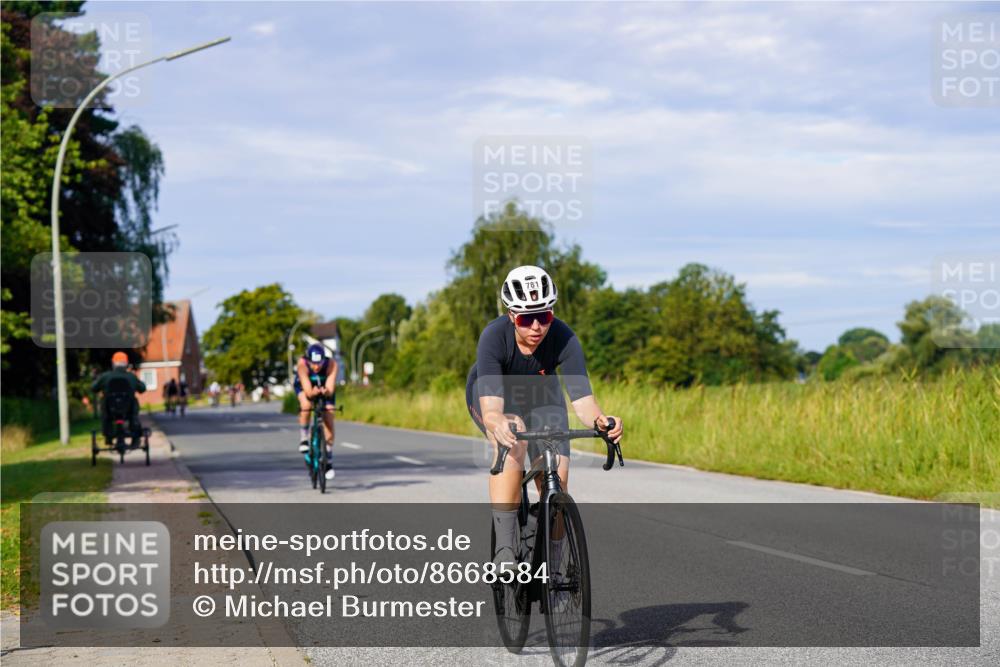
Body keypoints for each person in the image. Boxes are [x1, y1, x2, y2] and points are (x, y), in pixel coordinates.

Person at [466, 265, 623, 569]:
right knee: (512, 440)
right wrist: (498, 422)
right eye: (526, 318)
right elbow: (493, 411)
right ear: (512, 315)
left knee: (557, 481)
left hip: (542, 395)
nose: (537, 326)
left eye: (545, 316)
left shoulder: (564, 337)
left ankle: (554, 563)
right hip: (494, 393)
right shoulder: (493, 337)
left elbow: (583, 401)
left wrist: (602, 421)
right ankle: (505, 549)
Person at [294, 343, 338, 480]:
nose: (317, 367)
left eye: (319, 363)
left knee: (329, 415)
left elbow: (330, 387)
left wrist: (326, 392)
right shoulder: (302, 364)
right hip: (305, 387)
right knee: (306, 405)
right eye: (313, 363)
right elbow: (307, 390)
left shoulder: (331, 364)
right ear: (308, 360)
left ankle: (328, 460)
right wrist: (312, 393)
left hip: (324, 388)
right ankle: (304, 438)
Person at [91, 351, 145, 443]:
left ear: (113, 363)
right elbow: (142, 389)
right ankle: (135, 435)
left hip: (110, 410)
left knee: (104, 403)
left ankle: (108, 435)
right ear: (126, 363)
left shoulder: (105, 376)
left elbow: (94, 388)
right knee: (133, 405)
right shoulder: (131, 377)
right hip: (128, 409)